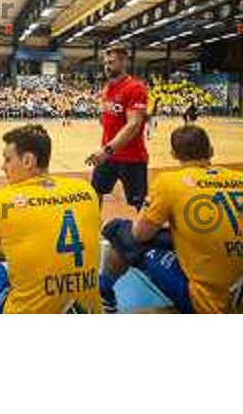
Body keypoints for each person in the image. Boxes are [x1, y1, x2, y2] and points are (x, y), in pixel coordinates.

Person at [102, 125, 243, 313]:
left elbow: (139, 234)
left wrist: (147, 207)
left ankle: (104, 293)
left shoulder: (168, 182)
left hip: (215, 307)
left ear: (173, 154)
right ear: (211, 151)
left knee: (119, 231)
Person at [0, 124, 102, 314]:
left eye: (7, 159)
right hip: (87, 311)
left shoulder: (0, 201)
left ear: (28, 161)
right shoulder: (86, 190)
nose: (2, 166)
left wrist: (12, 252)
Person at [85, 46, 148, 312]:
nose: (107, 64)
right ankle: (88, 237)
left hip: (131, 160)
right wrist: (107, 148)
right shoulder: (107, 89)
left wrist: (107, 149)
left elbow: (134, 125)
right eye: (105, 60)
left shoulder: (135, 87)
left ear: (124, 61)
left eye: (112, 60)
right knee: (94, 195)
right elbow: (110, 121)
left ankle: (150, 248)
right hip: (109, 156)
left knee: (141, 206)